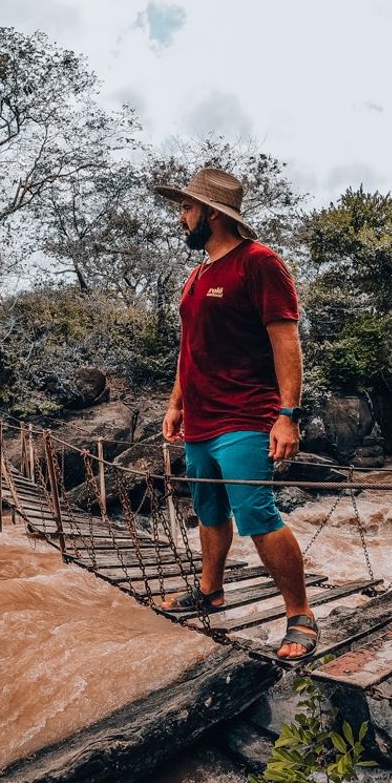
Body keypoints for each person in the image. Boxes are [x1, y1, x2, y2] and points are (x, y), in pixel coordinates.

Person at [153, 167, 317, 660]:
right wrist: (176, 403)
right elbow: (189, 346)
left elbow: (285, 339)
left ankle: (300, 613)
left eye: (186, 208)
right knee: (208, 510)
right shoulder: (197, 275)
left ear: (211, 213)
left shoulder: (259, 262)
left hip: (246, 414)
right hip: (199, 419)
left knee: (255, 512)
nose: (181, 217)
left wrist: (287, 413)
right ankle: (210, 589)